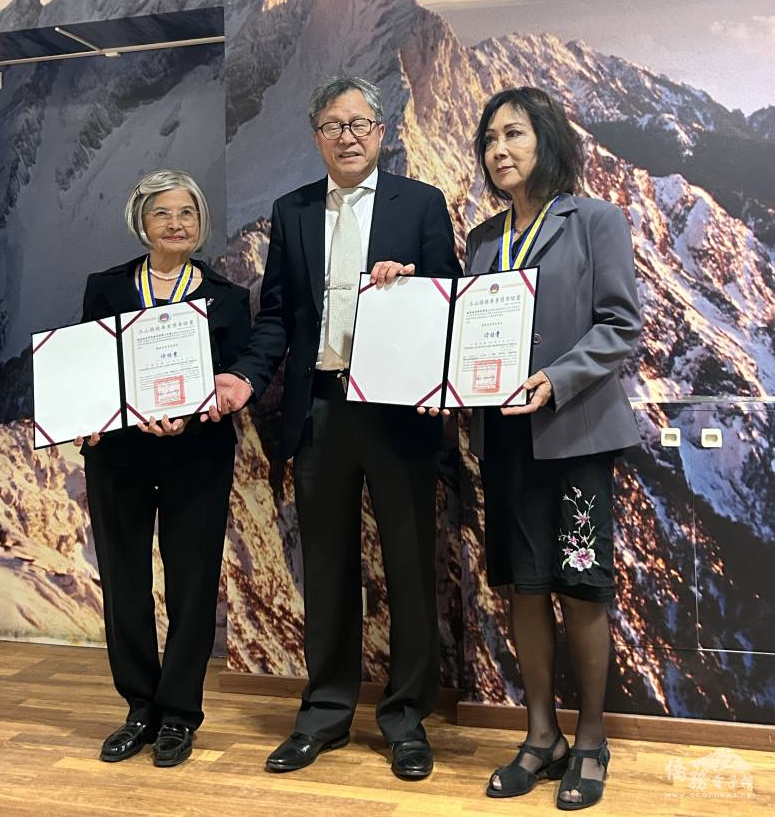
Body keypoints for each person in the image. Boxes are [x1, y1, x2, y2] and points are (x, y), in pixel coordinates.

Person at [208, 76, 460, 780]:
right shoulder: (291, 213)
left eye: (360, 123)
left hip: (398, 408)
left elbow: (447, 297)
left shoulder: (423, 204)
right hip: (320, 408)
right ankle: (322, 714)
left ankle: (407, 719)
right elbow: (278, 319)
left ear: (381, 132)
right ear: (315, 135)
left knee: (409, 568)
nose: (347, 135)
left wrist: (408, 282)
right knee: (326, 570)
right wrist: (246, 377)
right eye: (332, 124)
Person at [466, 88, 641, 809]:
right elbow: (468, 328)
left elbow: (620, 324)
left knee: (583, 585)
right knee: (524, 586)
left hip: (572, 435)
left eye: (514, 133)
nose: (499, 149)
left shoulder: (594, 219)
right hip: (505, 437)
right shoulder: (481, 239)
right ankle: (542, 737)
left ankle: (591, 737)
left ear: (546, 139)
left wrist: (556, 376)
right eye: (489, 139)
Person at [76, 169, 251, 768]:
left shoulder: (228, 298)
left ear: (200, 222)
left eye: (187, 214)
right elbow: (93, 368)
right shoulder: (106, 287)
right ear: (141, 223)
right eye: (163, 214)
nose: (176, 224)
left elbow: (231, 381)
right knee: (124, 581)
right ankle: (139, 708)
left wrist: (194, 414)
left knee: (193, 585)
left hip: (196, 456)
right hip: (119, 455)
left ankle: (179, 713)